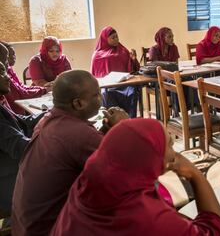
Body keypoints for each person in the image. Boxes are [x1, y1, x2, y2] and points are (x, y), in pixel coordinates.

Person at [50, 118, 220, 236]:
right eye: (168, 145)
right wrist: (196, 175)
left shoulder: (86, 182)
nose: (174, 152)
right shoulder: (148, 218)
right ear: (153, 159)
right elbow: (218, 232)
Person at [12, 70, 129, 236]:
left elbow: (85, 149)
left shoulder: (48, 120)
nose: (101, 98)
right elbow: (128, 170)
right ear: (78, 104)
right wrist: (125, 129)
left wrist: (104, 131)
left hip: (27, 226)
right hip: (50, 229)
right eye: (97, 94)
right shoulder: (79, 134)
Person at [0, 59, 44, 219]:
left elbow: (24, 121)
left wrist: (54, 112)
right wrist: (56, 145)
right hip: (7, 182)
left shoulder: (1, 104)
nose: (7, 77)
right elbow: (20, 146)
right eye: (1, 72)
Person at [91, 26, 140, 118]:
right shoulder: (98, 55)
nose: (116, 39)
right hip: (108, 86)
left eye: (117, 36)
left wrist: (133, 59)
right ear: (105, 39)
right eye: (113, 37)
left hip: (123, 84)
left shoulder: (123, 50)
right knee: (107, 94)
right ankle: (113, 121)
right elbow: (96, 76)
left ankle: (130, 119)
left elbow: (134, 71)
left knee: (133, 91)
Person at [0, 41, 50, 115]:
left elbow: (21, 86)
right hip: (19, 112)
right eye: (7, 58)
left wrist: (45, 88)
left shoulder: (9, 69)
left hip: (19, 115)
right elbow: (22, 93)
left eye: (14, 54)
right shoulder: (36, 60)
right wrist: (45, 89)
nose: (14, 57)